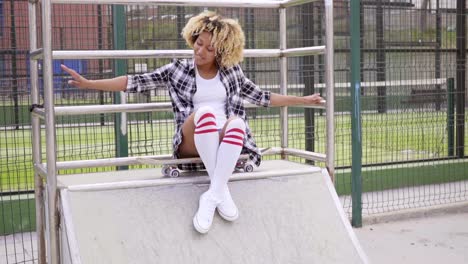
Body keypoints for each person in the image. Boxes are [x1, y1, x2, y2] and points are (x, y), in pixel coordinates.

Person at [61, 11, 323, 234]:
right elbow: (134, 82)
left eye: (209, 48)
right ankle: (222, 190)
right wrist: (91, 83)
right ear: (193, 38)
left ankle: (214, 195)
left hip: (225, 142)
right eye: (198, 43)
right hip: (191, 140)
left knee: (238, 124)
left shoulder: (232, 72)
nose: (200, 51)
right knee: (205, 113)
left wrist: (303, 100)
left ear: (221, 51)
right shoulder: (178, 69)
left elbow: (263, 97)